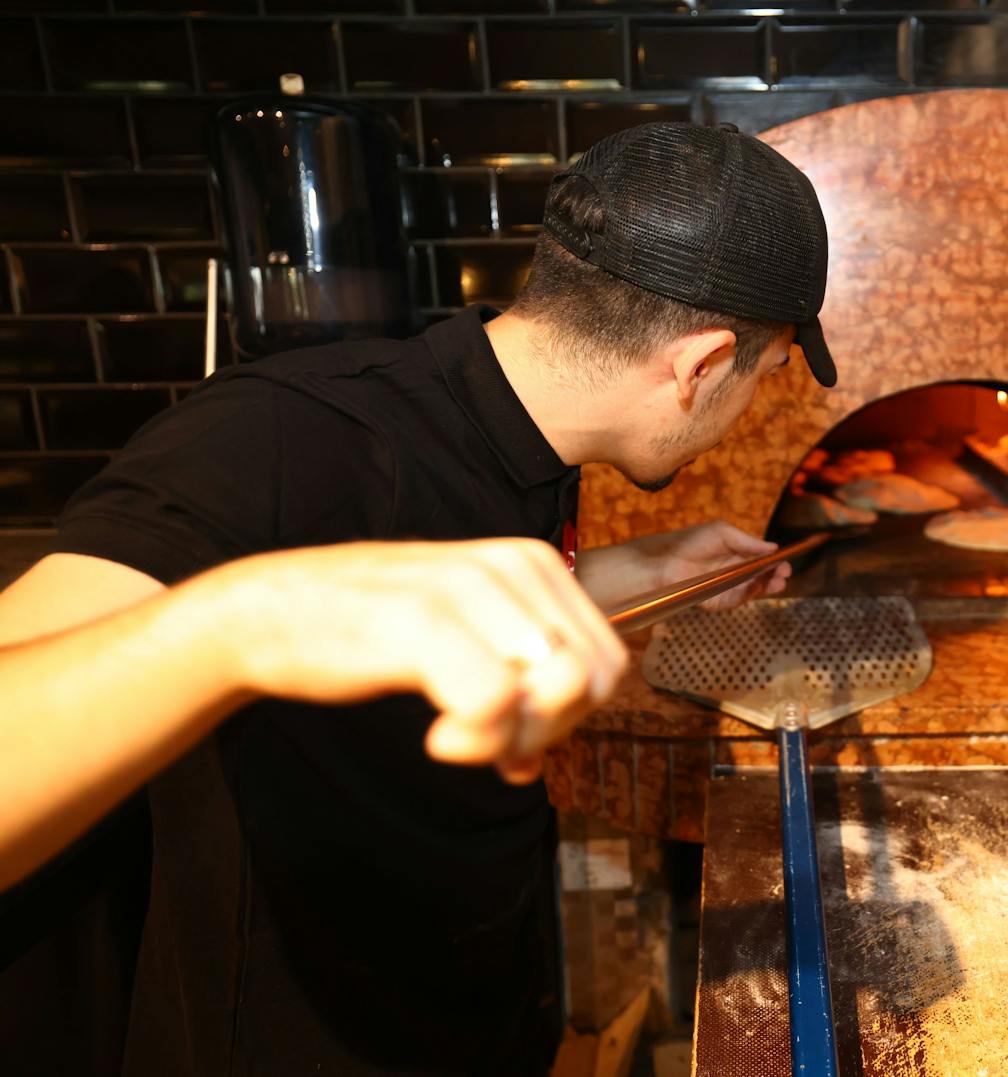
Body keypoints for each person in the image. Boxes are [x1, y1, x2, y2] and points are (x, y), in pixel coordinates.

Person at [0, 121, 837, 1074]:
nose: (753, 412)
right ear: (698, 364)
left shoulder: (523, 434)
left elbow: (413, 612)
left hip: (466, 1015)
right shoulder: (275, 439)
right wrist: (247, 617)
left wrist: (624, 574)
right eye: (767, 378)